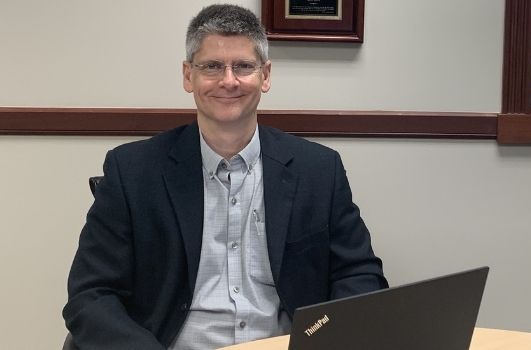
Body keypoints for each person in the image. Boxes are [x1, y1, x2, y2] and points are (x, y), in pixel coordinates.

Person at [62, 4, 387, 349]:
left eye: (243, 66)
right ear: (188, 75)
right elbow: (90, 295)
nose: (228, 81)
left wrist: (320, 339)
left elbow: (360, 276)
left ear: (265, 76)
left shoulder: (318, 170)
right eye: (212, 66)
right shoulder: (132, 171)